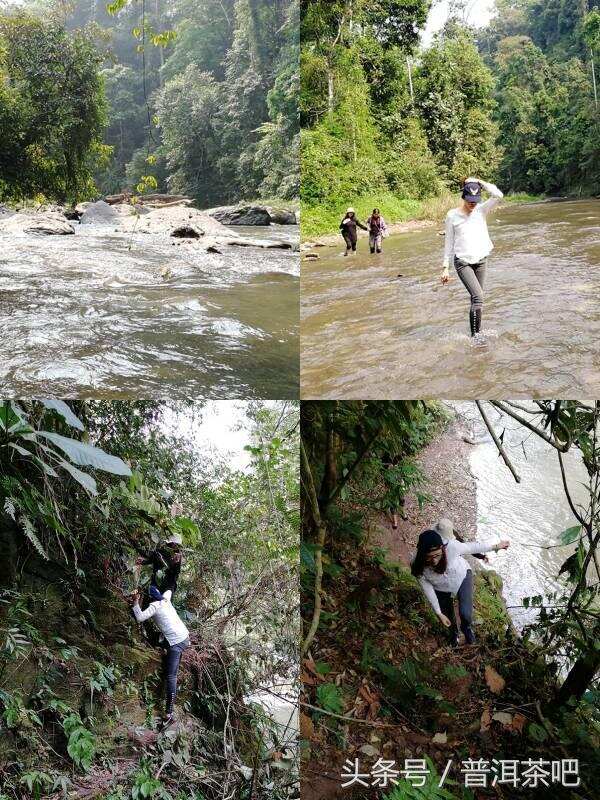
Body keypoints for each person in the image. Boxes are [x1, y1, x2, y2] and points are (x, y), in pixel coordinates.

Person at [411, 528, 510, 646]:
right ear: (422, 555)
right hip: (441, 589)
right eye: (428, 557)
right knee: (446, 616)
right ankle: (453, 635)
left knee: (466, 613)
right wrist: (438, 613)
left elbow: (473, 547)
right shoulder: (418, 566)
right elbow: (428, 589)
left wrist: (496, 546)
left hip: (462, 577)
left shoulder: (452, 548)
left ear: (442, 548)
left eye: (437, 555)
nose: (434, 561)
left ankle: (466, 628)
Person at [441, 177, 504, 337]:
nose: (472, 204)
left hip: (481, 260)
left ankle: (476, 333)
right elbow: (448, 241)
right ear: (463, 196)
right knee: (478, 297)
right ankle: (476, 337)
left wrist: (480, 182)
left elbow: (499, 195)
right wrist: (445, 267)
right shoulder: (452, 215)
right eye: (470, 201)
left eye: (475, 201)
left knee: (477, 299)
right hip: (463, 262)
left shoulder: (481, 210)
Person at [130, 585, 190, 727]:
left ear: (151, 598)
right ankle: (165, 650)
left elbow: (139, 618)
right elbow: (169, 590)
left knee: (171, 676)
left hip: (176, 642)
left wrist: (135, 602)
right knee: (157, 638)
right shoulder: (166, 599)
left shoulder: (155, 606)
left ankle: (169, 713)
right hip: (185, 636)